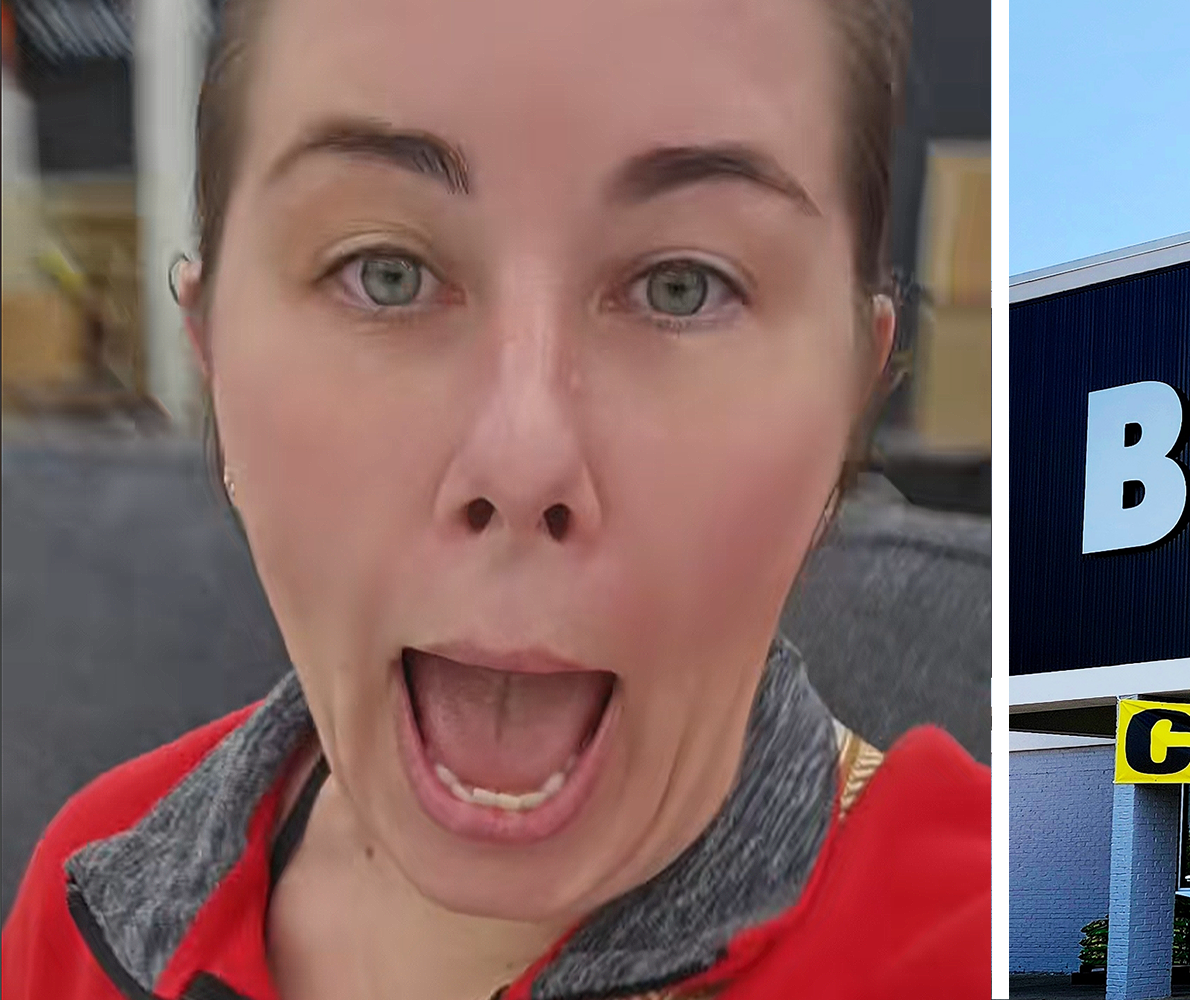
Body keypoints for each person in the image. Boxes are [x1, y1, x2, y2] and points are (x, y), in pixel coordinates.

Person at [1, 0, 989, 997]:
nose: (521, 461)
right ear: (210, 350)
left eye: (682, 285)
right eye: (385, 274)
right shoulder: (93, 898)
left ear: (850, 395)